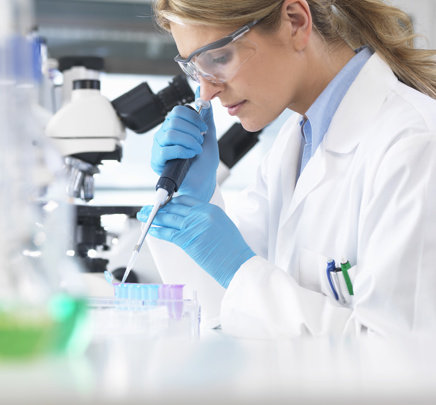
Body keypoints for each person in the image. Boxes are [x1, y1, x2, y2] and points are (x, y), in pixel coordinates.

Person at [136, 0, 436, 338]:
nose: (207, 90)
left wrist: (239, 270)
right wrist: (199, 199)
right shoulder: (291, 150)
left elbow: (400, 363)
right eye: (195, 68)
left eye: (218, 59)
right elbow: (224, 311)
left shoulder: (415, 145)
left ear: (295, 22)